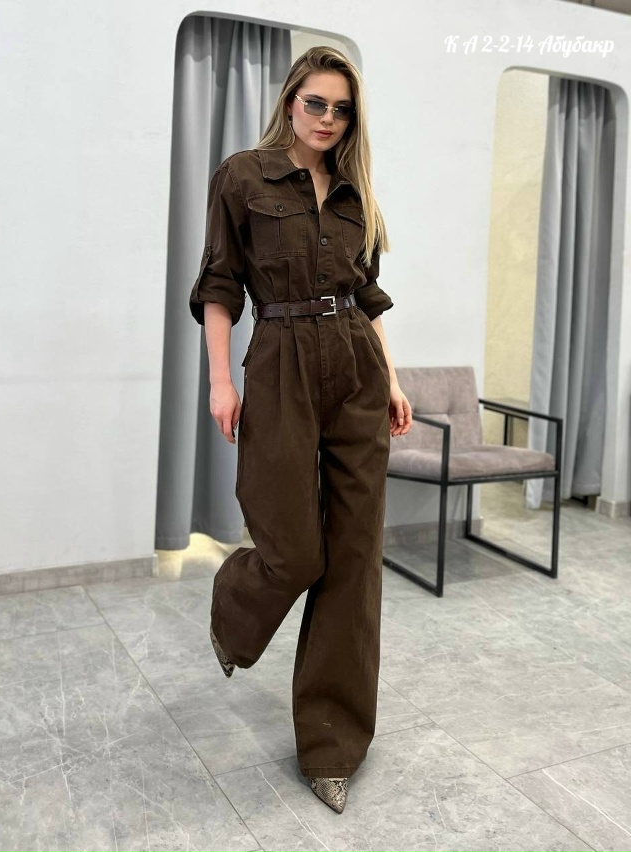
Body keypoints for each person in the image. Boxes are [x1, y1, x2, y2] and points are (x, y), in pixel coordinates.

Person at [189, 45, 412, 814]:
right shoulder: (243, 177)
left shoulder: (354, 194)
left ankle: (331, 746)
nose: (327, 118)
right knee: (292, 549)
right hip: (280, 359)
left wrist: (393, 380)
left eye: (341, 109)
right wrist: (221, 380)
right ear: (290, 101)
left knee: (354, 561)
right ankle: (234, 611)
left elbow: (368, 298)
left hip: (355, 367)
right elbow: (219, 284)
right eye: (316, 103)